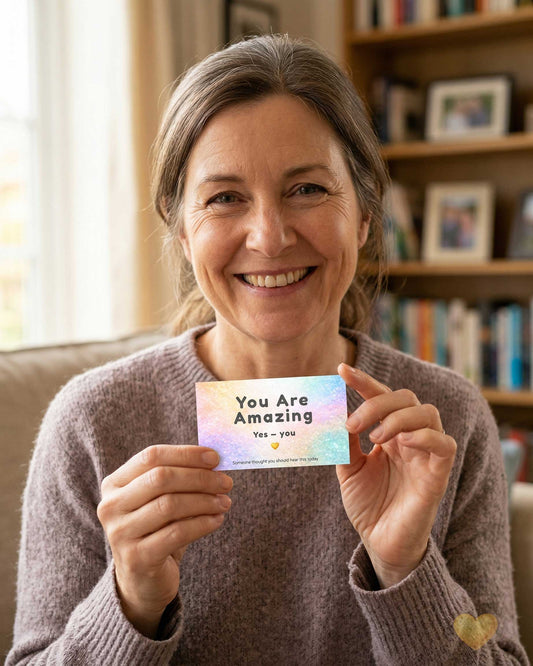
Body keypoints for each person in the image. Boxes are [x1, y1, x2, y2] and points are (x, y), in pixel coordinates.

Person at [7, 34, 529, 665]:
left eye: (307, 189)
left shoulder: (446, 419)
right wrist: (129, 602)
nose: (270, 237)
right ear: (179, 229)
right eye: (225, 198)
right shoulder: (92, 423)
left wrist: (406, 571)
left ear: (364, 214)